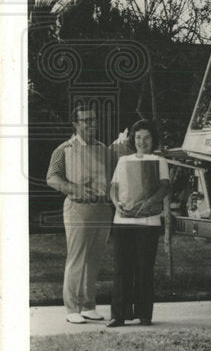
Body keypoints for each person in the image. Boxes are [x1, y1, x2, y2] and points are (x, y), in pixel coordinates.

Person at [46, 102, 117, 324]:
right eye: (86, 120)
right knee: (77, 258)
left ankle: (88, 305)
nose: (91, 124)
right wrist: (74, 188)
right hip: (78, 208)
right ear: (76, 124)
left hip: (102, 208)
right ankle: (72, 308)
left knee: (94, 258)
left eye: (94, 120)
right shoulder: (64, 149)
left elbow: (114, 176)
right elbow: (52, 177)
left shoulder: (103, 149)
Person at [106, 120, 170, 327]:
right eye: (138, 137)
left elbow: (164, 187)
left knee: (144, 268)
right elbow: (113, 188)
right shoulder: (123, 160)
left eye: (147, 137)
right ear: (133, 139)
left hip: (148, 221)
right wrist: (117, 204)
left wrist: (148, 202)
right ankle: (119, 314)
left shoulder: (159, 161)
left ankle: (144, 314)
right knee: (121, 268)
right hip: (122, 220)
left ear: (154, 140)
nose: (142, 141)